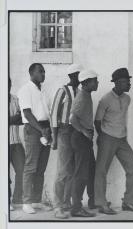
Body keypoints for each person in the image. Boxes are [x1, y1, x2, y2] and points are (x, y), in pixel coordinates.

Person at [94, 68, 133, 215]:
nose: (129, 84)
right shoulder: (106, 99)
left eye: (129, 81)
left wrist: (124, 136)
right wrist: (102, 138)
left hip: (122, 139)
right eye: (127, 82)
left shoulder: (127, 99)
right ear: (118, 83)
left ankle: (128, 202)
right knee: (101, 171)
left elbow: (122, 119)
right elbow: (97, 121)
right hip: (107, 138)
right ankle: (101, 204)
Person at [50, 64, 84, 219]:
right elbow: (53, 116)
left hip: (76, 133)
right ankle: (57, 206)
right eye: (78, 75)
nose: (80, 78)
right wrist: (54, 138)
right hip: (64, 132)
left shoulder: (80, 92)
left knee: (72, 171)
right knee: (63, 171)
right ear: (71, 76)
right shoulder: (62, 91)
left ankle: (66, 203)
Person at [18, 63, 52, 214]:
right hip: (33, 129)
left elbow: (48, 112)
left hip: (45, 128)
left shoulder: (43, 90)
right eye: (40, 71)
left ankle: (37, 200)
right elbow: (27, 114)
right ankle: (26, 202)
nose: (43, 74)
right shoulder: (25, 89)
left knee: (41, 168)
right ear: (31, 73)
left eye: (44, 72)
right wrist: (41, 130)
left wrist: (49, 130)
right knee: (31, 167)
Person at [69, 69, 98, 217]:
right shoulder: (81, 98)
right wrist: (84, 132)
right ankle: (76, 208)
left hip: (84, 139)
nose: (97, 82)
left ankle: (93, 201)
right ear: (86, 83)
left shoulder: (86, 95)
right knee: (81, 174)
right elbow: (72, 118)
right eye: (95, 80)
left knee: (91, 170)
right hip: (80, 139)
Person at [9, 78, 25, 211]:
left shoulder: (15, 99)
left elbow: (22, 119)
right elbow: (16, 118)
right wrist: (12, 119)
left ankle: (17, 198)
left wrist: (9, 119)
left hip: (16, 142)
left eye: (8, 83)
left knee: (22, 170)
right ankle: (5, 200)